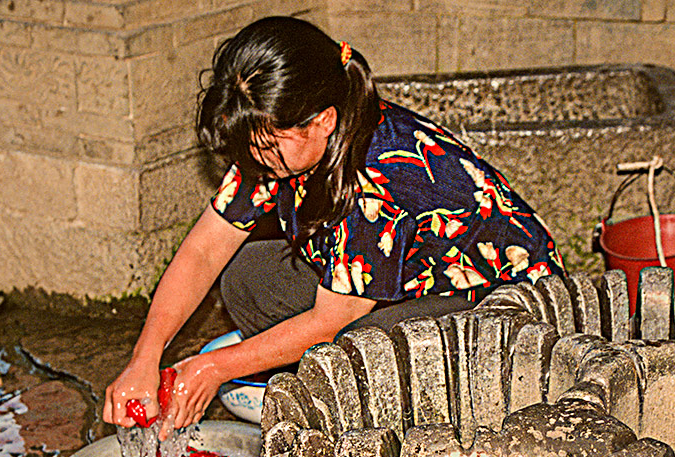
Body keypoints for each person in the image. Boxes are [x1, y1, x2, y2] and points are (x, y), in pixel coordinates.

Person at [103, 15, 565, 434]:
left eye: (267, 148)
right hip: (401, 282)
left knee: (353, 345)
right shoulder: (276, 141)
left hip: (498, 310)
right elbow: (204, 250)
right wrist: (146, 356)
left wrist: (212, 368)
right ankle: (330, 385)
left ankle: (392, 423)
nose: (258, 161)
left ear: (323, 121)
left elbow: (330, 322)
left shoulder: (376, 175)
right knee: (248, 276)